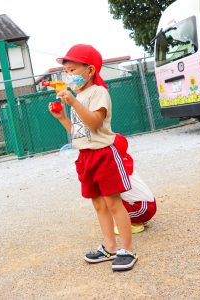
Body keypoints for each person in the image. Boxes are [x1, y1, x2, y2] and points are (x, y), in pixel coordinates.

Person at [49, 44, 137, 271]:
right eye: (66, 71)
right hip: (85, 156)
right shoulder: (77, 97)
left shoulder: (98, 92)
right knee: (98, 204)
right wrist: (61, 117)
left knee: (113, 203)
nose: (68, 75)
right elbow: (79, 132)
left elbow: (95, 124)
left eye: (72, 70)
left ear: (89, 71)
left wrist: (73, 103)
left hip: (104, 155)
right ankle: (109, 246)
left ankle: (127, 249)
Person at [115, 134, 157, 234]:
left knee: (110, 199)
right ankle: (141, 219)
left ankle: (135, 224)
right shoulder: (126, 159)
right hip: (149, 205)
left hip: (141, 208)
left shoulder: (117, 169)